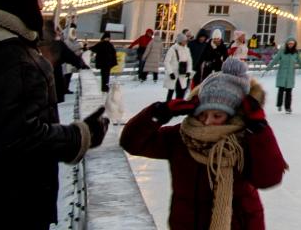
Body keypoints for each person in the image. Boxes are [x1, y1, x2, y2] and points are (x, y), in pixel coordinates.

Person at [0, 0, 110, 229]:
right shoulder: (13, 57)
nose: (41, 6)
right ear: (17, 0)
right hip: (11, 203)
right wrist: (81, 135)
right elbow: (17, 138)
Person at [121, 57, 287, 229]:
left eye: (217, 116)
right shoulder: (182, 137)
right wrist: (160, 112)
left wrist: (260, 129)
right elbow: (132, 143)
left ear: (232, 115)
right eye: (202, 114)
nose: (207, 122)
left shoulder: (245, 140)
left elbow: (269, 178)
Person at [271, 38, 301, 114]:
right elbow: (274, 60)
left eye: (292, 44)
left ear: (294, 44)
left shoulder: (295, 53)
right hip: (282, 74)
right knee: (281, 90)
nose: (290, 45)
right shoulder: (282, 52)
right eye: (289, 44)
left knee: (289, 92)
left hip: (290, 75)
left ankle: (288, 107)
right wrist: (267, 69)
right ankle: (279, 105)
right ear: (287, 44)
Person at [163, 32, 194, 101]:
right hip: (174, 74)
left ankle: (178, 106)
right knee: (170, 92)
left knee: (181, 92)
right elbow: (166, 62)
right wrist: (170, 73)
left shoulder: (187, 49)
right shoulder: (172, 49)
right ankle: (168, 106)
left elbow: (189, 61)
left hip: (182, 74)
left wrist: (189, 71)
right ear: (180, 41)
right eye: (185, 41)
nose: (186, 42)